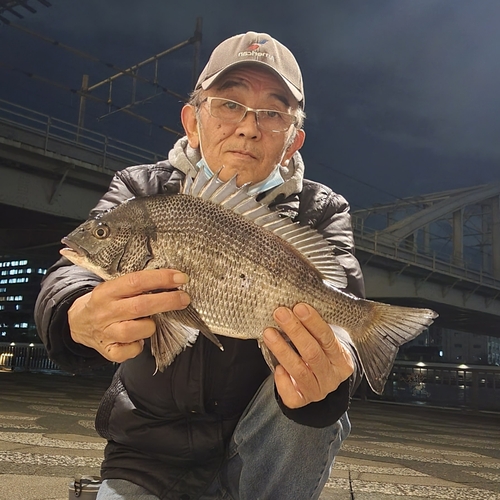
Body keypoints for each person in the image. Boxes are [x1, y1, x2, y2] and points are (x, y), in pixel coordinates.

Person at [35, 31, 365, 500]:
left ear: (293, 140)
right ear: (193, 121)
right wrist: (74, 311)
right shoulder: (143, 189)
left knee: (318, 400)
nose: (249, 127)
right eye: (229, 104)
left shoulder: (323, 211)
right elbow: (69, 272)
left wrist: (335, 373)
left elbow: (344, 305)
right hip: (149, 461)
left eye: (272, 113)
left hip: (270, 460)